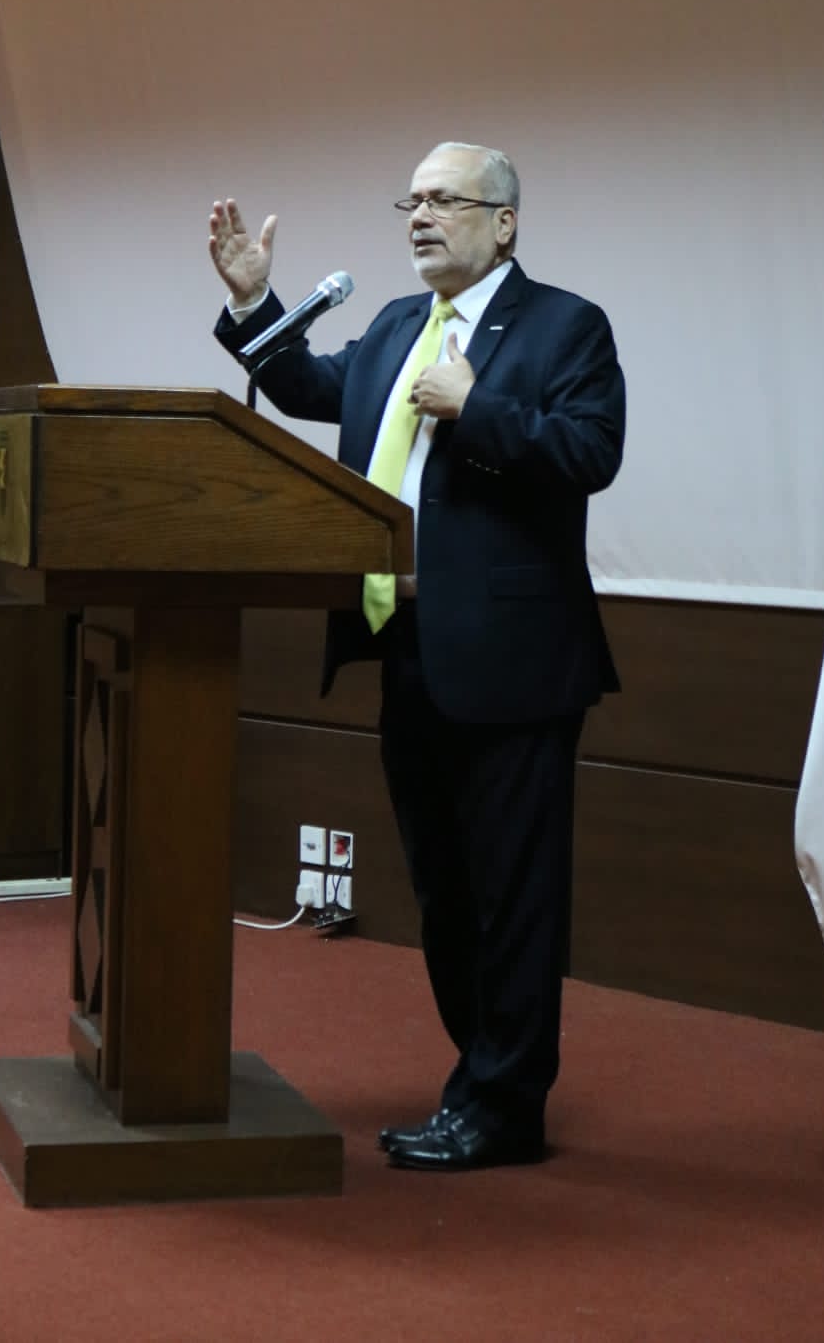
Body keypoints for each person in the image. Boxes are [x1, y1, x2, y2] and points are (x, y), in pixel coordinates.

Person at [209, 141, 626, 1171]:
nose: (422, 217)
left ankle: (504, 1106)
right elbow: (307, 386)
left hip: (515, 661)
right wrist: (255, 303)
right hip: (404, 650)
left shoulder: (566, 325)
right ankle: (481, 1078)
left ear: (504, 223)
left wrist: (475, 408)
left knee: (513, 897)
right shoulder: (400, 325)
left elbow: (591, 452)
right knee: (444, 890)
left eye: (445, 200)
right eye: (413, 201)